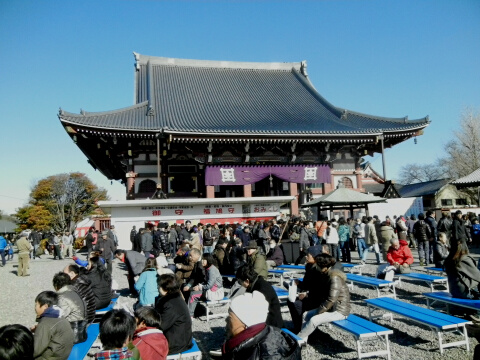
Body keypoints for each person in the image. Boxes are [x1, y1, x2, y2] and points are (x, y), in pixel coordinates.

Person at [221, 291, 300, 359]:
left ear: (245, 322)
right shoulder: (267, 333)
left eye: (230, 317)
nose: (226, 320)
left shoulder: (257, 354)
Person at [297, 254, 350, 341]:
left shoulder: (334, 278)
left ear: (321, 266)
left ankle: (296, 341)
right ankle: (302, 341)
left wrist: (319, 311)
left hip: (340, 310)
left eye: (316, 264)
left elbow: (331, 299)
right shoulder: (325, 274)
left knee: (314, 320)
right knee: (305, 315)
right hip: (331, 308)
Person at [155, 274, 193, 355]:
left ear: (166, 288)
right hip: (180, 337)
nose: (157, 288)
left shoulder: (170, 304)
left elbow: (161, 326)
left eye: (159, 286)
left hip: (177, 343)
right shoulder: (175, 297)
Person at [32, 291, 74, 360]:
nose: (35, 308)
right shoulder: (60, 316)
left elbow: (35, 350)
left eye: (36, 305)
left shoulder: (45, 323)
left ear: (45, 306)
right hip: (63, 355)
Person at [187, 253, 224, 318]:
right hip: (211, 290)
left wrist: (200, 287)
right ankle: (191, 313)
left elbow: (209, 285)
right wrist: (199, 286)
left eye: (204, 260)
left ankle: (190, 316)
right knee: (192, 291)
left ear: (208, 260)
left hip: (215, 293)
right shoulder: (208, 268)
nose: (202, 261)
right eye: (202, 259)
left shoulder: (212, 270)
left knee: (193, 295)